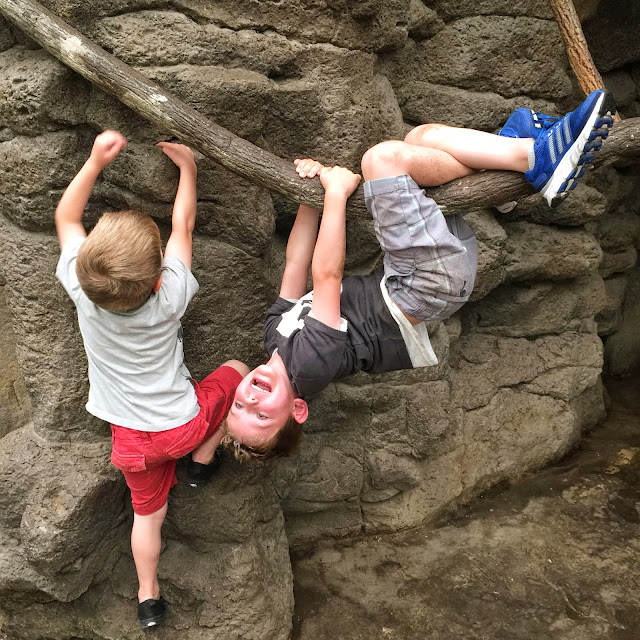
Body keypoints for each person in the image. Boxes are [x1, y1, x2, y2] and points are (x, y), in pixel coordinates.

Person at [223, 89, 616, 461]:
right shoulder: (309, 367)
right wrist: (336, 195)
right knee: (381, 161)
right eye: (262, 416)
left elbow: (295, 264)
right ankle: (536, 158)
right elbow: (326, 275)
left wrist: (309, 197)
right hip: (425, 283)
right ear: (298, 410)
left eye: (238, 406)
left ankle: (511, 158)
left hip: (425, 274)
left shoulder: (274, 337)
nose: (251, 400)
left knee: (419, 139)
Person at [54, 130, 249, 629]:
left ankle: (147, 596)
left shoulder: (82, 291)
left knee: (148, 516)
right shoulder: (170, 297)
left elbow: (67, 218)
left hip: (132, 446)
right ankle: (202, 460)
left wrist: (94, 161)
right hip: (182, 427)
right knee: (239, 373)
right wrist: (189, 168)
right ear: (159, 277)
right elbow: (183, 225)